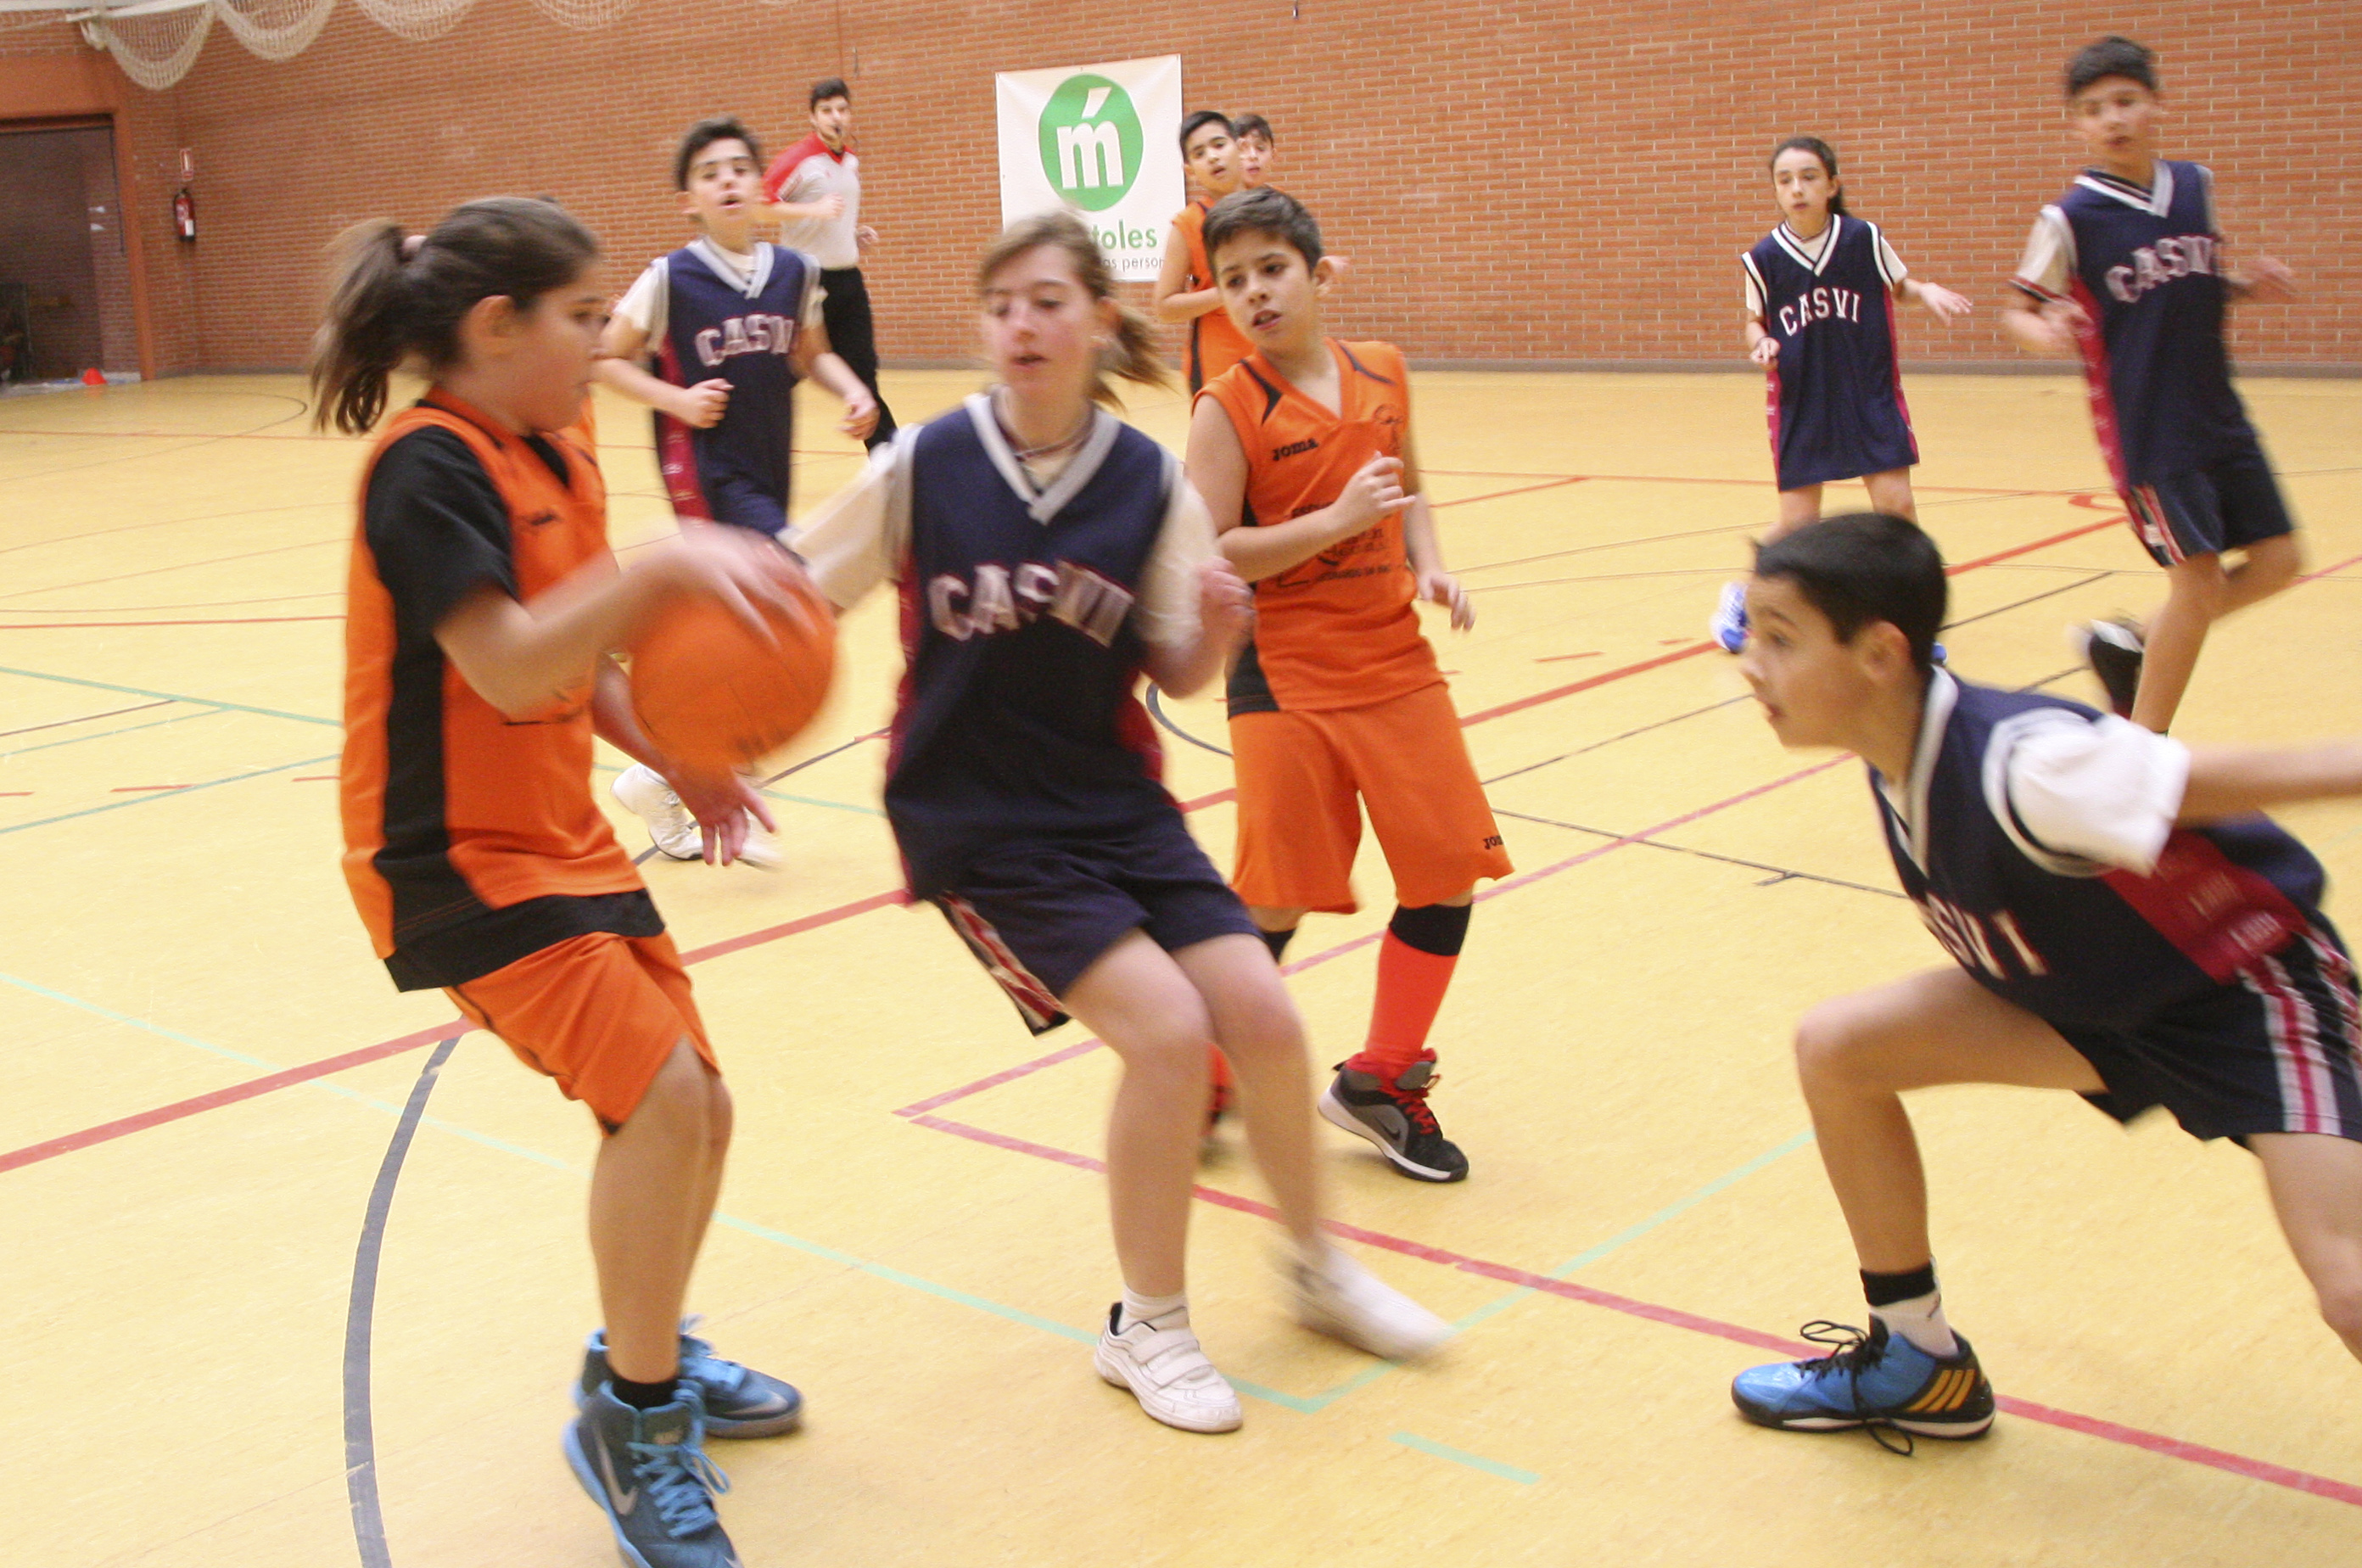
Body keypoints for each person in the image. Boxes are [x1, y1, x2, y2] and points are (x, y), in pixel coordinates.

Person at [792, 209, 1450, 1434]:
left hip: (1112, 801)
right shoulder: (924, 465)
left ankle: (1318, 1268)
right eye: (1000, 305)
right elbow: (793, 588)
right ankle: (1146, 1327)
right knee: (1166, 1035)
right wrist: (698, 686)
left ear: (1099, 320)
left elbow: (1177, 671)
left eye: (1046, 301)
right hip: (976, 818)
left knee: (1262, 1014)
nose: (1020, 324)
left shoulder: (1145, 482)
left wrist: (1219, 634)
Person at [320, 197, 808, 1568]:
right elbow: (510, 659)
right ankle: (633, 1425)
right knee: (660, 1100)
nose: (605, 342)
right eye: (585, 318)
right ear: (496, 326)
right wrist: (669, 569)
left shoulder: (560, 442)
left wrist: (683, 757)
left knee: (700, 1108)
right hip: (447, 862)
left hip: (557, 835)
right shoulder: (423, 468)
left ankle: (639, 1353)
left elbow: (580, 664)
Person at [1727, 512, 2362, 1449]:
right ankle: (1919, 1362)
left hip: (2247, 998)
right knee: (1839, 1049)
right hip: (2093, 1004)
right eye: (1753, 636)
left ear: (1880, 654)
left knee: (2350, 1289)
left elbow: (2281, 770)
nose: (1751, 665)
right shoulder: (1900, 747)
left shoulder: (2033, 769)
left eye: (1781, 640)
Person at [1184, 187, 1511, 1183]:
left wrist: (1431, 563)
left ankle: (1379, 1080)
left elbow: (1409, 486)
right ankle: (1201, 1073)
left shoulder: (1385, 371)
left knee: (1447, 871)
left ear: (1319, 274)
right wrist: (1332, 523)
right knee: (1276, 902)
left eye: (1271, 270)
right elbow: (1212, 550)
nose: (1254, 293)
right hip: (1282, 672)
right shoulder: (1226, 407)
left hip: (1393, 659)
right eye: (1232, 280)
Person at [598, 115, 877, 866]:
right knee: (773, 608)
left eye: (738, 169)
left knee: (738, 628)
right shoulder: (669, 278)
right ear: (688, 200)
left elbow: (813, 354)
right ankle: (694, 775)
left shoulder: (794, 274)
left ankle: (657, 777)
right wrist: (676, 400)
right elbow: (607, 358)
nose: (726, 180)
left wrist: (852, 389)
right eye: (708, 173)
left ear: (761, 188)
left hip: (767, 463)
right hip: (704, 468)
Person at [2003, 36, 2302, 733]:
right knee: (2196, 582)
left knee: (2280, 561)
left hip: (2219, 412)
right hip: (2147, 427)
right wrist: (2043, 328)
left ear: (2157, 104)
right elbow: (2017, 307)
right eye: (2094, 109)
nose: (2113, 118)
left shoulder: (2195, 186)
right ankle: (2142, 746)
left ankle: (2129, 643)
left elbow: (2189, 281)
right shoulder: (2068, 219)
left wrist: (2243, 285)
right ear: (2076, 125)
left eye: (2126, 101)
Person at [1710, 137, 1972, 652]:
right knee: (1798, 523)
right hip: (1803, 398)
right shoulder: (1763, 258)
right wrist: (1760, 341)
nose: (1797, 189)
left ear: (1832, 185)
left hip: (1868, 392)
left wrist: (1926, 291)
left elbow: (1900, 287)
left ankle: (1908, 624)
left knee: (1896, 509)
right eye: (1785, 180)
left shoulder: (1863, 239)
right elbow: (1754, 320)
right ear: (1776, 191)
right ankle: (1742, 597)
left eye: (1809, 177)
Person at [760, 76, 898, 451]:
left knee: (864, 376)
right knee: (789, 369)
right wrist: (813, 209)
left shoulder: (850, 161)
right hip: (806, 281)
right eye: (826, 111)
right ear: (813, 117)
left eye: (842, 109)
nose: (835, 117)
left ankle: (890, 462)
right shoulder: (799, 159)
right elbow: (759, 206)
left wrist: (851, 236)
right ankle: (745, 425)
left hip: (847, 281)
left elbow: (833, 216)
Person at [1153, 110, 1256, 393]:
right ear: (1189, 169)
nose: (1212, 157)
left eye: (1219, 144)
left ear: (1240, 148)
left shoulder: (1275, 206)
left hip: (1279, 356)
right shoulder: (1187, 224)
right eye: (1199, 153)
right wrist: (1228, 291)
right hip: (1220, 368)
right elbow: (1164, 307)